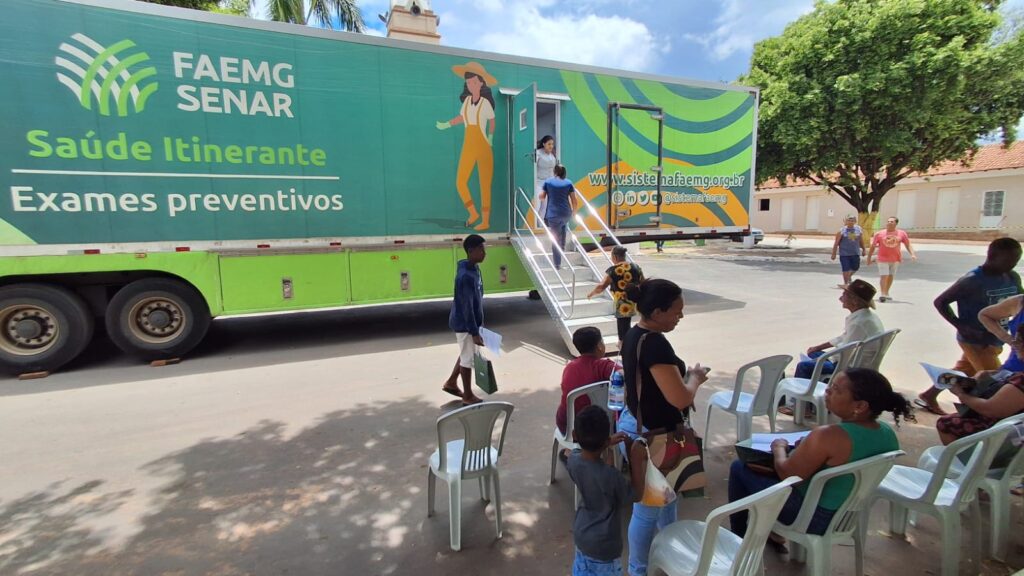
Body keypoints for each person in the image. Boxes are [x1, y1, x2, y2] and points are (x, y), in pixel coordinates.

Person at [728, 369, 913, 549]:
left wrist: (779, 448)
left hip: (813, 518)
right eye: (830, 385)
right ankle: (769, 533)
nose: (827, 391)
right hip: (846, 515)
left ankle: (737, 541)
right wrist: (806, 449)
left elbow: (787, 474)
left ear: (860, 406)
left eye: (836, 390)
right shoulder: (887, 433)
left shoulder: (828, 435)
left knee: (739, 468)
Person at [616, 278, 709, 576]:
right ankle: (639, 569)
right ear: (657, 312)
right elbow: (680, 397)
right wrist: (694, 378)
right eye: (676, 311)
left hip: (639, 425)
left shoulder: (635, 333)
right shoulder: (655, 343)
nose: (680, 316)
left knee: (667, 501)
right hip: (652, 437)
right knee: (646, 510)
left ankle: (672, 554)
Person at [916, 238, 1023, 415]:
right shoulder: (972, 280)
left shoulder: (1011, 276)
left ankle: (929, 394)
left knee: (963, 370)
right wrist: (961, 325)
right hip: (976, 340)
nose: (1013, 264)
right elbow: (941, 301)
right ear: (992, 256)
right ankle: (973, 415)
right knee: (994, 380)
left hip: (997, 338)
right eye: (1008, 260)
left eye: (1016, 260)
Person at [567, 406, 647, 576]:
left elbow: (576, 452)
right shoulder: (611, 476)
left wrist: (605, 442)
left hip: (582, 536)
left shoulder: (573, 461)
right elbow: (636, 494)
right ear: (605, 442)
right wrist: (636, 461)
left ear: (574, 435)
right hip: (604, 547)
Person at [436, 62, 498, 231]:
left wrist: (491, 137)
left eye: (473, 82)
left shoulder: (485, 103)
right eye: (468, 82)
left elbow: (492, 121)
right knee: (460, 181)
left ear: (481, 83)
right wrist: (447, 124)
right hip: (469, 145)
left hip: (484, 146)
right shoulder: (467, 102)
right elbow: (461, 118)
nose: (470, 85)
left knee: (485, 185)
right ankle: (473, 213)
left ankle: (485, 220)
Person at [792, 279, 884, 380]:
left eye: (844, 295)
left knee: (803, 366)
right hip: (851, 358)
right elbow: (844, 337)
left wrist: (824, 358)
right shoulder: (864, 316)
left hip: (852, 366)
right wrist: (818, 347)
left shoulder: (859, 323)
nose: (840, 298)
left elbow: (844, 352)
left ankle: (804, 393)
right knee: (813, 353)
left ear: (854, 301)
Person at [441, 234, 486, 406]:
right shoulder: (465, 276)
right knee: (468, 358)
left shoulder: (473, 268)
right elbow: (466, 307)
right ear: (471, 251)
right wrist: (474, 331)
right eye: (481, 249)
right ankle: (467, 395)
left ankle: (451, 383)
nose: (485, 253)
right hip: (465, 324)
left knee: (466, 353)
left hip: (471, 322)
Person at [556, 327, 618, 436]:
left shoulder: (569, 367)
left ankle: (570, 449)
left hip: (568, 427)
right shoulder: (604, 365)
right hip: (598, 428)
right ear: (599, 346)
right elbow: (623, 374)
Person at [936, 372, 1024, 445]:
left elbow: (990, 410)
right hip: (1011, 429)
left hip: (1005, 436)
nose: (1014, 350)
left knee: (945, 423)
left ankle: (965, 462)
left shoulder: (1021, 382)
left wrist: (961, 394)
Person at [587, 246, 645, 348]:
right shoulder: (635, 267)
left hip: (622, 304)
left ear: (614, 256)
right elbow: (644, 283)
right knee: (626, 324)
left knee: (623, 327)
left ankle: (625, 348)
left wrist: (591, 294)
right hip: (634, 301)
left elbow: (602, 286)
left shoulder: (613, 270)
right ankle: (628, 343)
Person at [866, 217, 916, 302]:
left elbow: (907, 244)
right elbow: (873, 246)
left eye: (892, 222)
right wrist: (869, 258)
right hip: (882, 258)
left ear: (896, 223)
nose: (889, 223)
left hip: (895, 258)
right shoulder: (879, 234)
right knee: (884, 275)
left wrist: (912, 254)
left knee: (890, 276)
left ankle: (886, 292)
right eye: (888, 221)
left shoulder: (901, 233)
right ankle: (882, 294)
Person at [539, 165, 579, 270]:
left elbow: (542, 197)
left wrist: (543, 197)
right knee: (563, 225)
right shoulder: (569, 183)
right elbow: (574, 200)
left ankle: (557, 264)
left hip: (553, 214)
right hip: (566, 213)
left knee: (555, 239)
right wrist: (574, 212)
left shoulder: (548, 182)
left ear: (554, 172)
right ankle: (562, 246)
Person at [831, 215, 866, 287]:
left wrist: (864, 249)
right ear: (846, 221)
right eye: (849, 220)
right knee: (845, 268)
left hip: (855, 252)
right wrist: (833, 253)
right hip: (844, 253)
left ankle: (849, 276)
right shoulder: (842, 231)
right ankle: (846, 283)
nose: (850, 222)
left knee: (855, 267)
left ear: (855, 221)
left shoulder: (858, 229)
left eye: (852, 220)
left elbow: (861, 240)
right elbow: (836, 243)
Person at [534, 135, 558, 220]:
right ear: (544, 144)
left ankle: (540, 225)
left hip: (548, 184)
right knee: (538, 205)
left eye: (552, 144)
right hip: (538, 183)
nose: (551, 146)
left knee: (544, 206)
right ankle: (534, 224)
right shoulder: (538, 153)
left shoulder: (552, 155)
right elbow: (532, 165)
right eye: (549, 144)